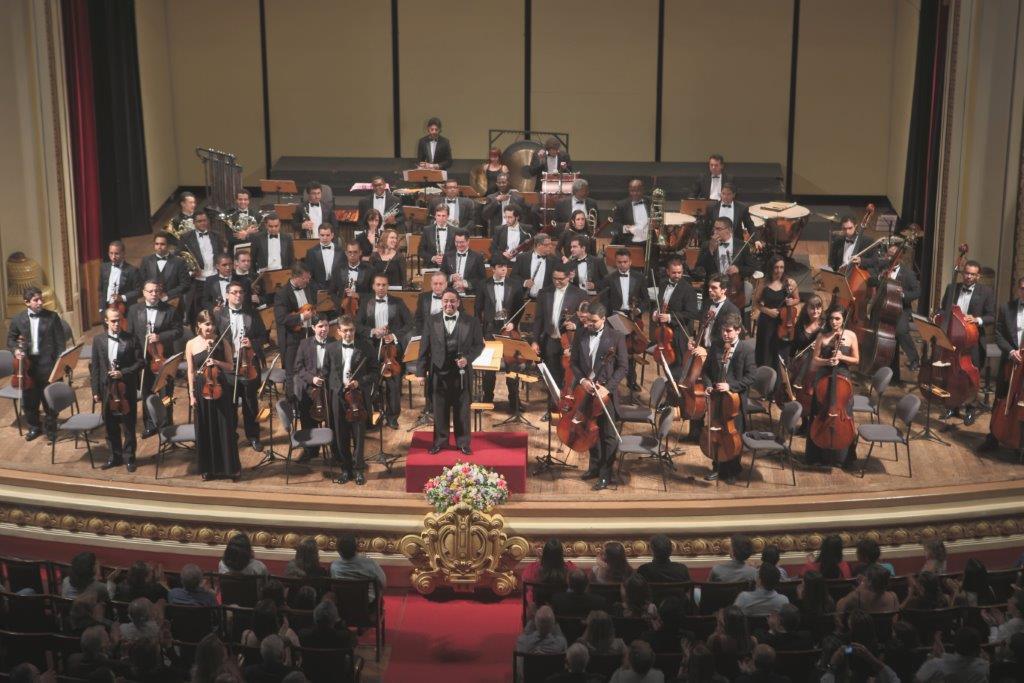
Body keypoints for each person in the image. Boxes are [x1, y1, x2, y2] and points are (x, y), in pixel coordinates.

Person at [417, 289, 485, 455]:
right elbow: (424, 348)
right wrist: (420, 372)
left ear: (458, 302)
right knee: (440, 409)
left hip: (461, 374)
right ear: (442, 302)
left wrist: (467, 359)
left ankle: (463, 443)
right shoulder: (431, 321)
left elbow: (479, 345)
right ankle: (440, 442)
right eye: (446, 301)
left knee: (462, 409)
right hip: (438, 373)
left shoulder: (472, 321)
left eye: (452, 301)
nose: (449, 304)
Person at [571, 303, 629, 490]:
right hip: (586, 390)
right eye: (587, 321)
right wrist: (582, 380)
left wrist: (608, 388)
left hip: (605, 395)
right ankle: (594, 467)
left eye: (594, 322)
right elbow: (574, 362)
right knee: (590, 431)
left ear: (603, 319)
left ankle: (606, 474)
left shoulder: (616, 337)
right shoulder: (580, 333)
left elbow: (623, 367)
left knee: (608, 435)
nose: (589, 325)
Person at [696, 312, 757, 483]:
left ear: (738, 331)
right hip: (716, 400)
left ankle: (732, 471)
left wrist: (731, 386)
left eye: (729, 331)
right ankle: (717, 467)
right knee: (716, 434)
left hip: (734, 403)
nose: (725, 334)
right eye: (723, 331)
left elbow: (752, 376)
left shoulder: (746, 349)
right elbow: (706, 370)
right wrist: (708, 385)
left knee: (733, 436)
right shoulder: (716, 345)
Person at [937, 258, 996, 425]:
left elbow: (991, 316)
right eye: (966, 273)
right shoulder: (951, 288)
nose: (968, 277)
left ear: (978, 276)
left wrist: (977, 319)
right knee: (951, 374)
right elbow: (943, 308)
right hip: (953, 338)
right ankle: (952, 406)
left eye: (972, 274)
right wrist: (939, 315)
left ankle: (970, 408)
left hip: (972, 342)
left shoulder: (986, 292)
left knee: (970, 378)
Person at [187, 310, 241, 481]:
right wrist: (191, 394)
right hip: (200, 389)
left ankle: (229, 468)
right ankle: (207, 468)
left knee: (224, 427)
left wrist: (216, 362)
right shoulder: (191, 344)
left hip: (219, 388)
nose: (210, 328)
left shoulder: (222, 341)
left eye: (212, 324)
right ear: (199, 325)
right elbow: (190, 371)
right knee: (204, 428)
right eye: (206, 324)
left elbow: (231, 366)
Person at [8, 287, 67, 442]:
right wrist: (16, 351)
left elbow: (61, 343)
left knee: (50, 402)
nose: (40, 302)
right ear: (26, 302)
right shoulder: (18, 319)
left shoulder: (52, 317)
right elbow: (11, 340)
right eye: (36, 300)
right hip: (28, 367)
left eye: (41, 299)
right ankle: (34, 427)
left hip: (48, 365)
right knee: (30, 401)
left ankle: (51, 428)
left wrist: (58, 366)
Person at [804, 304, 860, 468]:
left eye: (837, 318)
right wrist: (827, 361)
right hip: (824, 378)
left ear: (843, 320)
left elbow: (856, 360)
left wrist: (842, 357)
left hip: (842, 377)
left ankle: (842, 458)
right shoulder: (822, 336)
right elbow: (815, 360)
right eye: (831, 318)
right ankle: (817, 456)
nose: (834, 322)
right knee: (819, 414)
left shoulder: (850, 335)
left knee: (845, 415)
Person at [215, 281, 267, 452]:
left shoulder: (252, 313)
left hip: (249, 364)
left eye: (241, 292)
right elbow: (213, 341)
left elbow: (263, 337)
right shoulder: (218, 315)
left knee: (250, 402)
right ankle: (231, 436)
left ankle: (253, 436)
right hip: (228, 365)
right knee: (228, 403)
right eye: (234, 292)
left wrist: (252, 342)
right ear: (227, 295)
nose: (238, 296)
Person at [325, 315, 377, 485]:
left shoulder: (366, 347)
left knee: (359, 434)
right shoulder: (331, 348)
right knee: (341, 434)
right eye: (345, 331)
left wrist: (359, 382)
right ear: (338, 332)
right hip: (338, 396)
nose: (349, 334)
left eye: (351, 330)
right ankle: (346, 469)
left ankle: (359, 469)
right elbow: (327, 372)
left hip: (357, 397)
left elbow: (375, 372)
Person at [90, 307, 143, 471]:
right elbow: (96, 367)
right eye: (113, 320)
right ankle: (115, 457)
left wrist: (123, 372)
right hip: (107, 389)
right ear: (106, 321)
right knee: (110, 425)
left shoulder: (131, 339)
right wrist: (95, 391)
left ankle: (129, 458)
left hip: (126, 388)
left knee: (128, 425)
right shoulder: (98, 340)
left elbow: (141, 363)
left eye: (119, 320)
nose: (117, 323)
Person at [356, 274, 411, 429]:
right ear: (373, 286)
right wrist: (373, 331)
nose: (381, 288)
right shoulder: (366, 302)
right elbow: (358, 325)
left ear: (388, 286)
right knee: (372, 383)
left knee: (393, 385)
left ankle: (392, 417)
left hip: (391, 350)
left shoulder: (398, 302)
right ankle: (374, 416)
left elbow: (409, 323)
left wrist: (393, 336)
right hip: (371, 349)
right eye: (378, 285)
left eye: (384, 285)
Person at [983, 274, 1024, 451]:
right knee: (1000, 398)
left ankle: (1020, 444)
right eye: (1023, 287)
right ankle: (993, 437)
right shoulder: (1006, 308)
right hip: (1009, 363)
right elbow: (998, 334)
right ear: (1018, 289)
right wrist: (1011, 351)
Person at [599, 249, 646, 391]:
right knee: (615, 350)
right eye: (619, 262)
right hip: (615, 318)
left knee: (631, 351)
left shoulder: (640, 277)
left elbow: (645, 301)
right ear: (616, 262)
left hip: (633, 318)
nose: (622, 265)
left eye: (625, 262)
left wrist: (638, 310)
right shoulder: (609, 279)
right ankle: (611, 381)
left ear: (630, 262)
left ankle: (631, 381)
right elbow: (604, 303)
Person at [293, 315, 338, 459]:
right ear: (313, 328)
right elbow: (298, 368)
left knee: (333, 417)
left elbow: (338, 367)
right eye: (320, 326)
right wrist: (312, 379)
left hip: (328, 387)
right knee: (307, 416)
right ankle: (311, 450)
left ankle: (336, 450)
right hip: (310, 388)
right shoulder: (304, 344)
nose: (324, 329)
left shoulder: (335, 343)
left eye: (326, 325)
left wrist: (327, 380)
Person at [653, 257, 701, 380]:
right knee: (666, 365)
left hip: (679, 335)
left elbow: (692, 313)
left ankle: (676, 394)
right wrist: (656, 312)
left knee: (677, 369)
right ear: (668, 272)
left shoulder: (688, 290)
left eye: (679, 272)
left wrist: (669, 317)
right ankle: (669, 391)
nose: (677, 275)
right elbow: (660, 302)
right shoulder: (663, 284)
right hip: (664, 334)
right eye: (674, 272)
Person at [274, 262, 315, 399]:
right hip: (292, 339)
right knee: (292, 372)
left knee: (310, 369)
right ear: (296, 277)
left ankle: (309, 400)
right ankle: (293, 404)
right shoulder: (282, 293)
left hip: (309, 335)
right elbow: (281, 319)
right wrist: (302, 316)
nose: (307, 281)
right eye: (305, 278)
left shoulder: (308, 288)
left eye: (308, 278)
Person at [751, 255, 799, 371]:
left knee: (779, 352)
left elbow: (797, 299)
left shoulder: (790, 283)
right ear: (771, 268)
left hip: (782, 322)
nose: (779, 270)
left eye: (781, 267)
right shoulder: (764, 283)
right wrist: (767, 311)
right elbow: (756, 302)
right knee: (765, 351)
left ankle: (779, 379)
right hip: (766, 321)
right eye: (776, 267)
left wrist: (791, 302)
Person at [180, 212, 226, 324]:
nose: (203, 223)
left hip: (215, 276)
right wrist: (192, 271)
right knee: (198, 309)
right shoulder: (186, 237)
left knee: (216, 307)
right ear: (194, 223)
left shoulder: (217, 235)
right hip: (198, 279)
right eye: (199, 221)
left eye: (205, 220)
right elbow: (180, 257)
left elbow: (221, 254)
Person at [696, 217, 760, 283]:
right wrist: (711, 249)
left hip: (734, 287)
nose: (715, 232)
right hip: (712, 288)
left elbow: (751, 269)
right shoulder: (706, 245)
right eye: (714, 228)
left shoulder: (742, 245)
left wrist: (738, 269)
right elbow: (698, 270)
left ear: (729, 230)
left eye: (718, 229)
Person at [913, 626, 989, 682]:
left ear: (955, 645)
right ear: (977, 649)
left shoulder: (934, 665)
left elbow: (917, 681)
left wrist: (931, 657)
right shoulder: (983, 667)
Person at [330, 533, 387, 603]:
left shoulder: (334, 566)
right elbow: (383, 583)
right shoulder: (369, 563)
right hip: (366, 602)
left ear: (339, 551)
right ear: (356, 548)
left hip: (343, 602)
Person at [139, 232, 191, 304]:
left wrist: (168, 295)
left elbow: (185, 284)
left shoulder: (179, 262)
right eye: (157, 244)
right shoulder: (146, 260)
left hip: (173, 300)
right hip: (151, 300)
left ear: (169, 245)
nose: (159, 247)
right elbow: (142, 281)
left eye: (162, 244)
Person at [707, 606, 756, 679]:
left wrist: (718, 626)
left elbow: (709, 662)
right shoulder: (752, 641)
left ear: (725, 623)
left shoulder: (716, 640)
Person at [97, 240, 141, 319]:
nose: (113, 256)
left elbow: (138, 291)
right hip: (107, 308)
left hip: (124, 309)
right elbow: (101, 289)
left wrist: (122, 297)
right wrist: (101, 308)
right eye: (111, 253)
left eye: (116, 254)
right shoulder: (104, 267)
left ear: (123, 254)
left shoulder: (132, 270)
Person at [440, 230, 487, 296]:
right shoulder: (447, 256)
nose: (459, 245)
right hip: (450, 295)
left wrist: (466, 284)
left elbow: (482, 279)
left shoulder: (477, 257)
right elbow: (441, 276)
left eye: (462, 242)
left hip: (470, 294)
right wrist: (451, 278)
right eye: (457, 242)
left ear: (468, 241)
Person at [515, 232, 558, 299]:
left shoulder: (554, 260)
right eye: (547, 244)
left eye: (551, 244)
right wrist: (524, 282)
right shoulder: (522, 258)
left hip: (545, 300)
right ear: (538, 245)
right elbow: (513, 276)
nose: (550, 246)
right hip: (524, 299)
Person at [304, 223, 342, 296]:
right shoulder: (311, 252)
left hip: (337, 290)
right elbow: (308, 275)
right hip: (318, 290)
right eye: (322, 235)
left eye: (327, 235)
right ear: (318, 235)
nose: (325, 238)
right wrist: (316, 289)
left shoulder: (340, 251)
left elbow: (344, 271)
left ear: (332, 235)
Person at [612, 179, 651, 247]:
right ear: (629, 190)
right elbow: (616, 224)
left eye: (638, 190)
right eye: (632, 191)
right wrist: (627, 229)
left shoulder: (650, 202)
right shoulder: (621, 205)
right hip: (630, 241)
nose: (635, 193)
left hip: (648, 241)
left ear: (643, 190)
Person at [223, 188, 262, 252]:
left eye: (245, 199)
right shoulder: (229, 216)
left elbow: (259, 236)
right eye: (240, 199)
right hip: (234, 249)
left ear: (249, 201)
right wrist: (248, 232)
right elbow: (230, 237)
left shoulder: (257, 215)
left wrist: (246, 233)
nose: (243, 202)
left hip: (252, 250)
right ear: (236, 200)